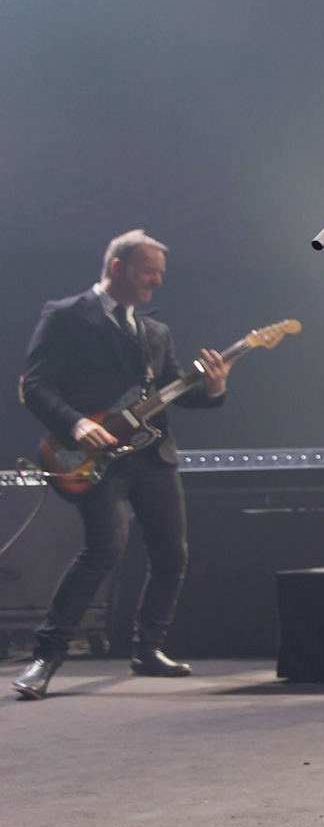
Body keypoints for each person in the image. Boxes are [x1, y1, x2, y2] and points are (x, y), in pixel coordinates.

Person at [12, 231, 230, 700]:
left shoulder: (155, 331)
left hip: (152, 456)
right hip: (95, 457)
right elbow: (36, 384)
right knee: (105, 549)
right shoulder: (67, 315)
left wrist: (213, 388)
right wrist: (74, 426)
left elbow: (174, 393)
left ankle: (147, 648)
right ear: (117, 267)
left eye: (160, 274)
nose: (156, 281)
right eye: (148, 271)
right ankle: (44, 658)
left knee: (172, 554)